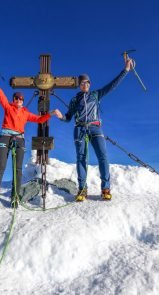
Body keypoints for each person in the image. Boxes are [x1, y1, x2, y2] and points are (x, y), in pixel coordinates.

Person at [56, 59, 133, 201]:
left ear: (90, 84)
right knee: (81, 159)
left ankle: (105, 188)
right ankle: (82, 189)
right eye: (82, 83)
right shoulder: (74, 100)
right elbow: (68, 117)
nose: (85, 84)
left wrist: (126, 70)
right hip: (79, 129)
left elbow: (112, 85)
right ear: (79, 85)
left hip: (95, 128)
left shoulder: (96, 95)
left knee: (103, 157)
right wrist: (61, 116)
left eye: (87, 82)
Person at [0, 69, 62, 209]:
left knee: (17, 169)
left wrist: (51, 113)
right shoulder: (8, 107)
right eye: (17, 98)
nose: (19, 100)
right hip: (5, 136)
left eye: (21, 99)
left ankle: (15, 197)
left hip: (19, 139)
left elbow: (39, 119)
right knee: (0, 166)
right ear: (13, 99)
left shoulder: (26, 113)